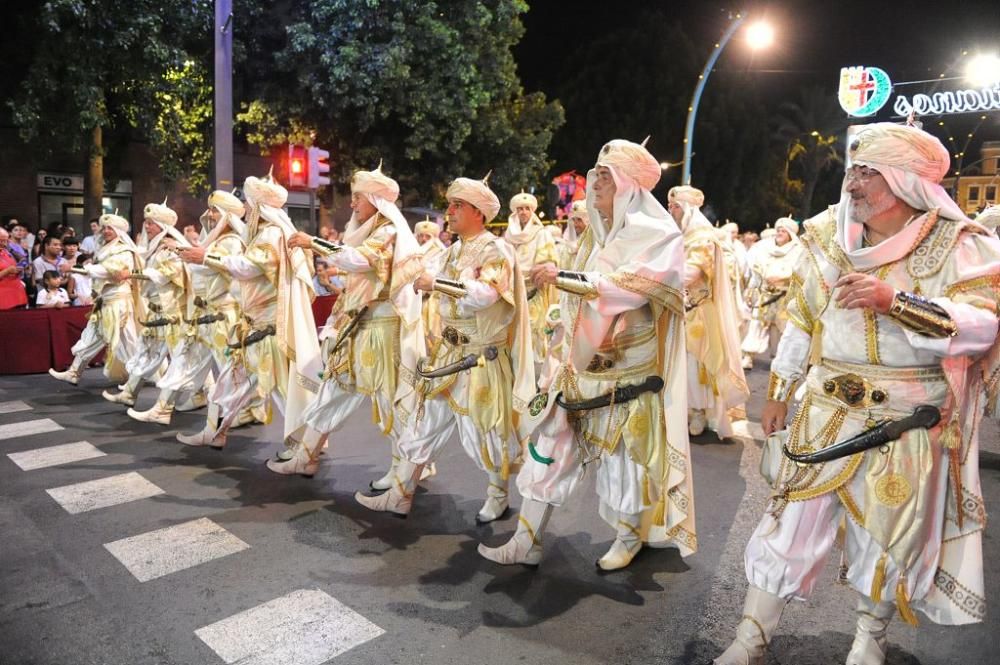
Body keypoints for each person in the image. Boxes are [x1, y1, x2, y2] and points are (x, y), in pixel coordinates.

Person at [713, 123, 1000, 665]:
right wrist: (778, 391)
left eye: (868, 173)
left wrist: (898, 301)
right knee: (786, 522)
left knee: (889, 535)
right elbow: (801, 316)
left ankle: (869, 640)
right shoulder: (826, 235)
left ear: (906, 181)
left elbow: (984, 325)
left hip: (907, 418)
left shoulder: (960, 244)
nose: (853, 185)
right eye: (854, 170)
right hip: (825, 409)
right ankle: (750, 637)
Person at [478, 139, 696, 571]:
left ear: (628, 185)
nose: (594, 182)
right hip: (577, 369)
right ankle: (527, 539)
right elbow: (575, 297)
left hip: (628, 374)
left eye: (605, 176)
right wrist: (558, 317)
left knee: (624, 466)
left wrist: (565, 280)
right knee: (548, 449)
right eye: (595, 174)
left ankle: (628, 538)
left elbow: (626, 288)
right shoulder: (590, 238)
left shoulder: (660, 237)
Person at [355, 174, 534, 524]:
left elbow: (485, 295)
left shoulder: (497, 250)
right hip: (449, 354)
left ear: (479, 212)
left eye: (458, 206)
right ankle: (400, 495)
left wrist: (436, 283)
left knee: (484, 429)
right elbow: (416, 269)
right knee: (424, 423)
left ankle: (498, 496)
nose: (449, 212)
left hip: (481, 357)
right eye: (450, 205)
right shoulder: (452, 250)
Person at [267, 164, 425, 482]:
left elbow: (361, 261)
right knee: (332, 391)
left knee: (390, 403)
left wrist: (315, 243)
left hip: (382, 332)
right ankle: (306, 457)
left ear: (375, 200)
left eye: (357, 198)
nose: (351, 204)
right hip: (357, 329)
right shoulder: (370, 230)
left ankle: (407, 470)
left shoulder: (388, 232)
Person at [176, 170, 320, 450]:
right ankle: (214, 432)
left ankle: (306, 449)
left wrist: (205, 257)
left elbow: (249, 267)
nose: (248, 211)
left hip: (268, 329)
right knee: (230, 383)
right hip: (253, 327)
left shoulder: (271, 234)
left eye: (251, 205)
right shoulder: (268, 233)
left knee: (284, 392)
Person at [128, 191, 247, 425]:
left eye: (215, 211)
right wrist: (184, 252)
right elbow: (196, 265)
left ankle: (245, 409)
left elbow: (224, 267)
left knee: (231, 369)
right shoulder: (213, 241)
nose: (209, 215)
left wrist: (185, 252)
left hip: (222, 316)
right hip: (202, 315)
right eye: (210, 209)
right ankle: (162, 408)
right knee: (183, 360)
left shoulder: (232, 241)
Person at [667, 186, 749, 438]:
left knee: (697, 365)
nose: (671, 210)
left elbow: (691, 274)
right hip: (678, 309)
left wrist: (656, 275)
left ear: (688, 209)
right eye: (670, 206)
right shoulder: (679, 235)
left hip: (699, 313)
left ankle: (699, 412)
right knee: (676, 364)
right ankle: (679, 411)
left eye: (676, 206)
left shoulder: (703, 238)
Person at [102, 200, 189, 407]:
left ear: (162, 225)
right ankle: (130, 393)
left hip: (172, 311)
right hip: (157, 309)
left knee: (183, 356)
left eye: (150, 223)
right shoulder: (155, 247)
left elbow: (167, 274)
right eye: (146, 223)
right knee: (147, 351)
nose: (146, 227)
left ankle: (176, 403)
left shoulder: (172, 246)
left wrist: (133, 274)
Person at [48, 213, 142, 385]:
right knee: (91, 336)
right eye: (104, 227)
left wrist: (77, 269)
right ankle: (74, 372)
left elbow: (111, 272)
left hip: (118, 302)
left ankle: (136, 381)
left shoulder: (124, 250)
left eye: (110, 228)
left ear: (118, 231)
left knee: (127, 343)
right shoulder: (104, 248)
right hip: (103, 301)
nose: (106, 231)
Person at [740, 217, 803, 370]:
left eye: (783, 231)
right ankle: (748, 356)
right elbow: (755, 273)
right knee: (756, 325)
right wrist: (750, 292)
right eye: (778, 230)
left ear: (790, 234)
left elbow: (802, 273)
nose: (780, 233)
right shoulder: (763, 248)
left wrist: (783, 278)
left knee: (782, 330)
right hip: (764, 295)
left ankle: (780, 358)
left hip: (784, 296)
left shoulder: (799, 251)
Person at [504, 192, 558, 368]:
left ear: (532, 211)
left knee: (535, 333)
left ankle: (536, 373)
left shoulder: (541, 234)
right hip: (511, 293)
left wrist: (536, 274)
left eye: (527, 208)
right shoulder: (508, 235)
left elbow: (547, 262)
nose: (523, 212)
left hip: (533, 291)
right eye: (520, 209)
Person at [0, 228, 28, 310]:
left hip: (18, 295)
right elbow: (7, 270)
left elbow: (22, 260)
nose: (4, 244)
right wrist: (7, 271)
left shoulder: (6, 251)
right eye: (1, 241)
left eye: (6, 241)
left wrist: (18, 269)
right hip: (4, 299)